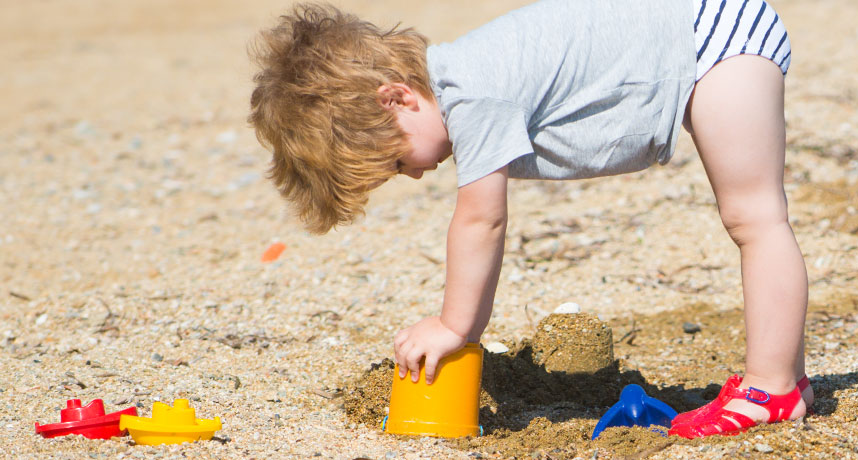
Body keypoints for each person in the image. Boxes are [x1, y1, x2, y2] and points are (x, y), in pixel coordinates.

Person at [248, 0, 810, 437]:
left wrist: (454, 327)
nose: (415, 175)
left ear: (395, 98)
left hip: (715, 35)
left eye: (397, 162)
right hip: (703, 31)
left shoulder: (474, 94)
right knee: (752, 218)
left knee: (754, 217)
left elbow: (481, 221)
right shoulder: (467, 80)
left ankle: (770, 388)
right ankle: (784, 379)